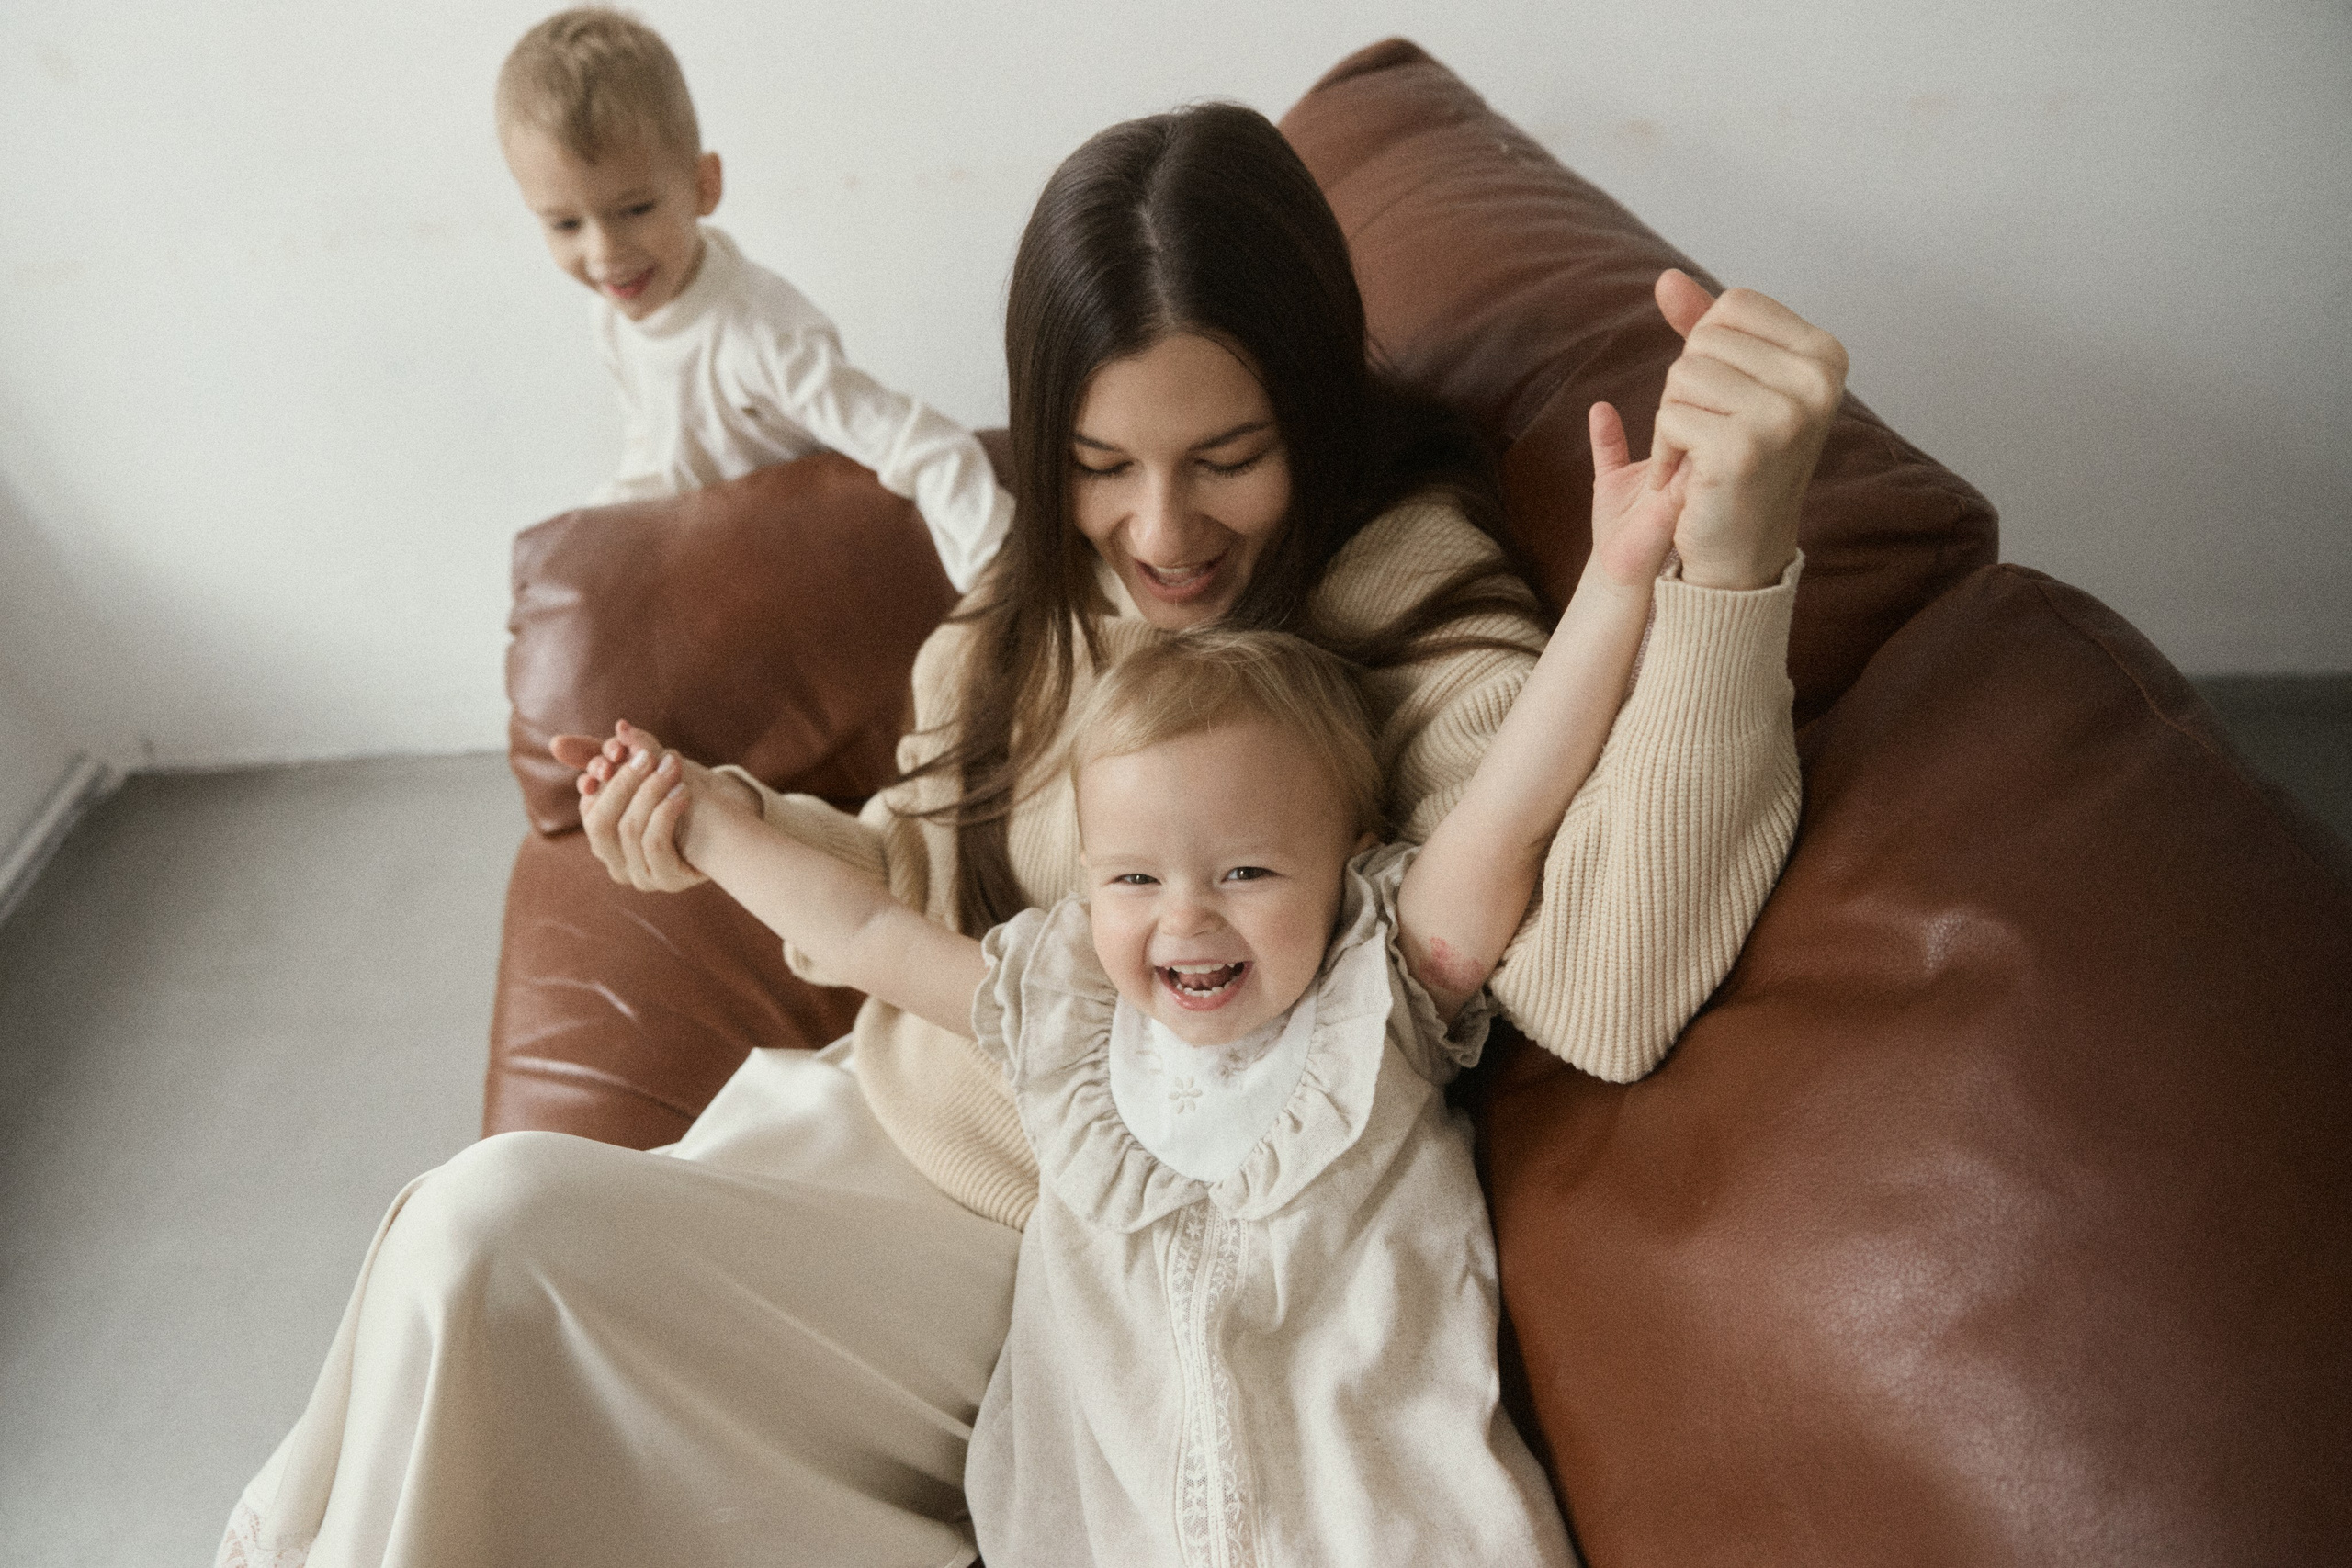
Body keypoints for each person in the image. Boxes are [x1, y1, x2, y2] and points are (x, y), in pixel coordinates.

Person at [217, 101, 1841, 1567]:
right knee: (457, 1238)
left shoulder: (1395, 598)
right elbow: (903, 880)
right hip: (852, 1125)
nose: (1160, 532)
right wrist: (719, 822)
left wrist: (1730, 563)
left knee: (492, 1244)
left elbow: (1610, 982)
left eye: (1228, 460)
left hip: (1033, 1248)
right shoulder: (1028, 597)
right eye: (1098, 465)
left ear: (1316, 415)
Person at [496, 7, 1010, 591]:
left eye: (636, 209)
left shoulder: (759, 334)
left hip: (826, 566)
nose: (605, 253)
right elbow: (657, 452)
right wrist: (593, 532)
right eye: (565, 224)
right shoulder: (614, 319)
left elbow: (918, 441)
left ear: (702, 186)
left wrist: (995, 571)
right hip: (724, 569)